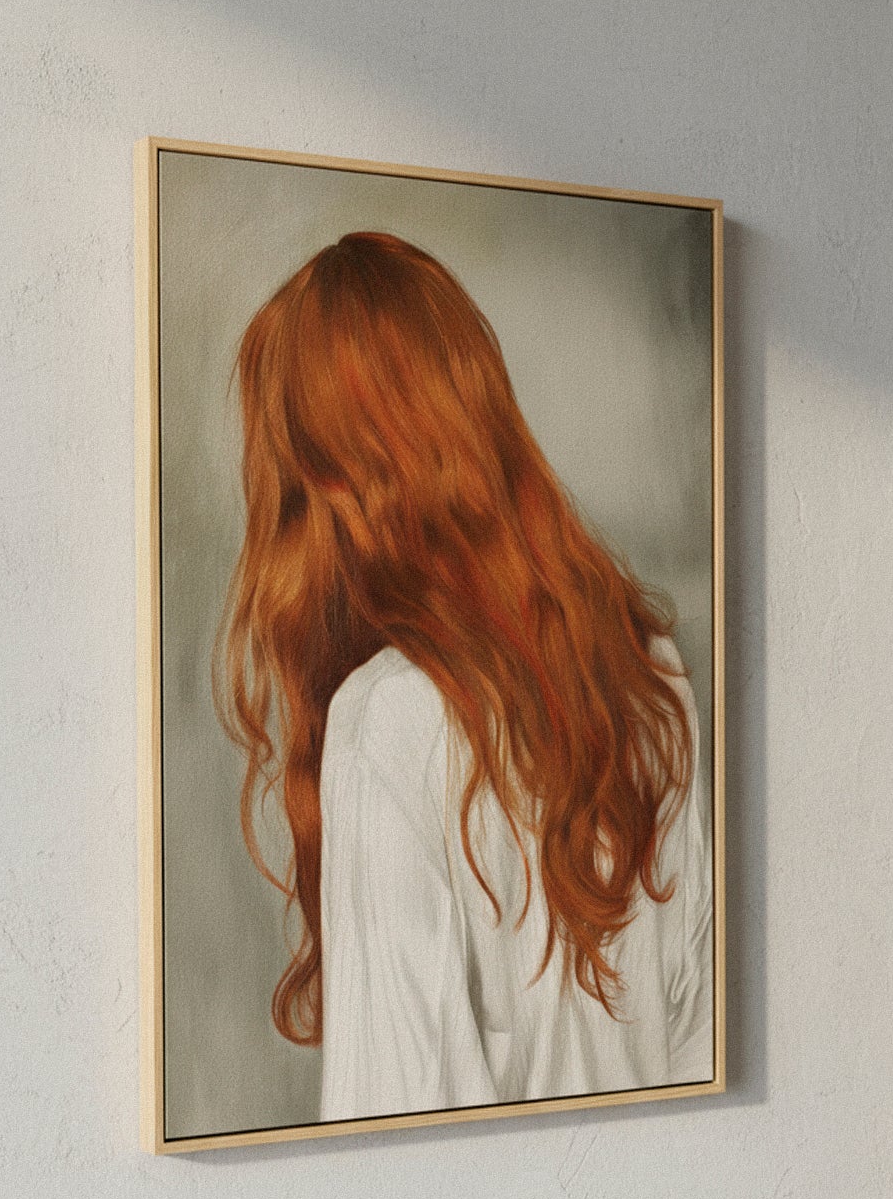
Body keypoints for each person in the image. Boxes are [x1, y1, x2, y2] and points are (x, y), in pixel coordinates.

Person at [215, 230, 712, 1122]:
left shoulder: (387, 719)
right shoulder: (653, 677)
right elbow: (702, 1038)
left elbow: (390, 1129)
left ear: (324, 482)